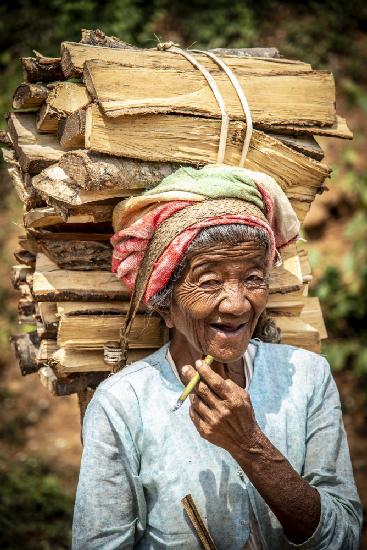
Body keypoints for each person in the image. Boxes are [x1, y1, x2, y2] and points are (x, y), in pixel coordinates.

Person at [72, 165, 362, 549]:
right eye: (209, 282)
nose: (238, 304)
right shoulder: (122, 404)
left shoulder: (307, 376)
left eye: (253, 278)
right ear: (165, 305)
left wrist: (250, 445)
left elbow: (343, 537)